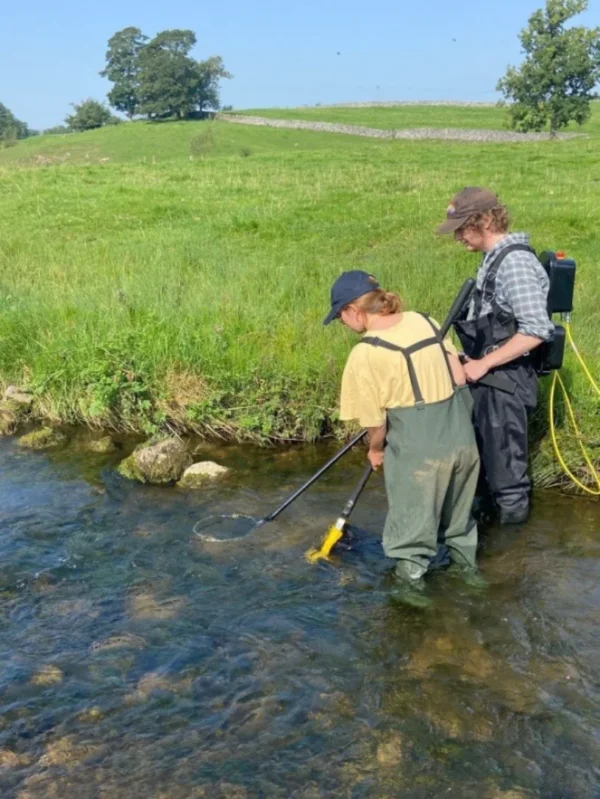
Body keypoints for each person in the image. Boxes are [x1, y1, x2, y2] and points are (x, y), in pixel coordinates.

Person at [324, 270, 480, 592]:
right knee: (459, 523)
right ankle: (470, 580)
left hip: (420, 453)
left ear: (353, 310)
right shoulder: (426, 321)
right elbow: (459, 377)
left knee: (411, 536)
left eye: (340, 316)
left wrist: (375, 449)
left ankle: (410, 599)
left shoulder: (365, 354)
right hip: (462, 439)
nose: (342, 323)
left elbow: (376, 424)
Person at [436, 187, 554, 524]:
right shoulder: (493, 259)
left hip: (506, 385)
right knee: (486, 472)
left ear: (485, 220)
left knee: (507, 482)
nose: (458, 237)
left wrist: (483, 363)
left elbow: (536, 329)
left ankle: (512, 550)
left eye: (462, 228)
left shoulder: (515, 263)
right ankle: (488, 538)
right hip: (490, 381)